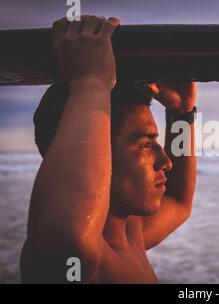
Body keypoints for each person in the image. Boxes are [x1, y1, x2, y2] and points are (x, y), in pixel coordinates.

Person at [20, 15, 197, 283]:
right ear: (97, 154)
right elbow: (69, 239)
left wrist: (181, 113)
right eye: (146, 144)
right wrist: (90, 82)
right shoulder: (78, 261)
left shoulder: (129, 233)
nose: (166, 161)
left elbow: (178, 202)